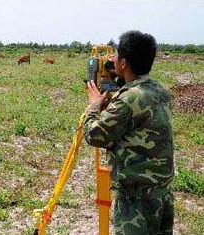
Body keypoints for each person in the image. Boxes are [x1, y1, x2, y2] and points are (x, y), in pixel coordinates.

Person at [84, 30, 174, 235]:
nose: (111, 59)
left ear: (124, 63)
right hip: (161, 194)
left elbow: (94, 135)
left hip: (137, 202)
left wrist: (94, 107)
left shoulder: (128, 100)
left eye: (116, 55)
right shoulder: (159, 90)